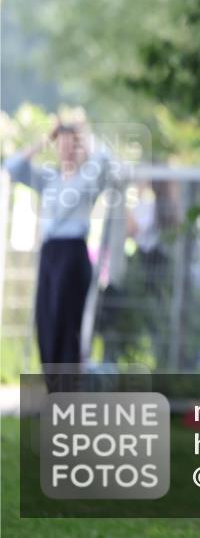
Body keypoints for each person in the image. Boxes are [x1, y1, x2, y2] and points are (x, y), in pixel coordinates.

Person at [3, 120, 113, 376]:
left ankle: (69, 386)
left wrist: (83, 137)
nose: (66, 149)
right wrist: (44, 139)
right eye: (62, 143)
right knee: (47, 318)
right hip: (50, 253)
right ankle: (51, 384)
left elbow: (105, 160)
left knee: (67, 321)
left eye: (71, 143)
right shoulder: (48, 179)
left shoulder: (88, 179)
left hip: (72, 253)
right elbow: (12, 167)